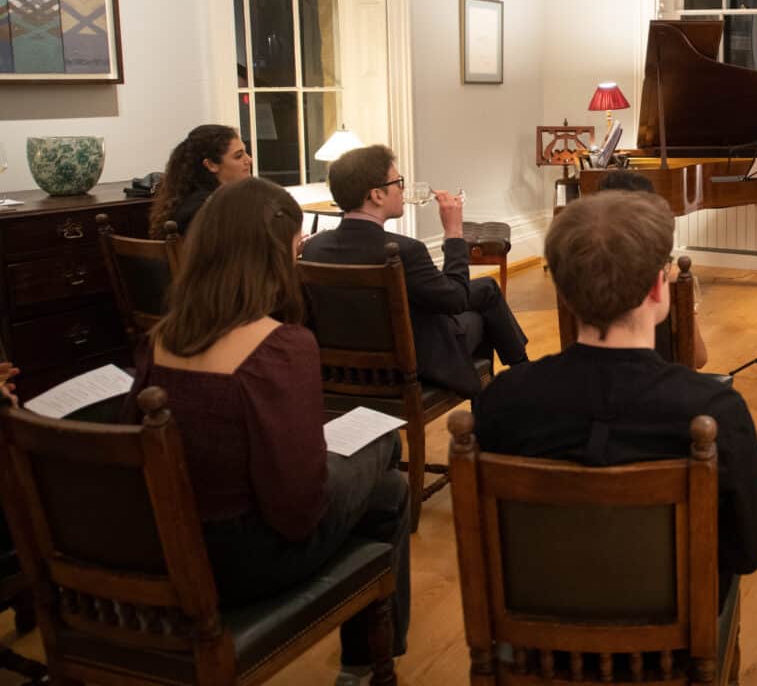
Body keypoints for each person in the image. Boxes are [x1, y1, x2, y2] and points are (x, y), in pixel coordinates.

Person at [127, 178, 409, 683]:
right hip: (244, 562)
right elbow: (298, 512)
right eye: (296, 249)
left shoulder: (159, 339)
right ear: (276, 257)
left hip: (163, 547)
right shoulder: (280, 348)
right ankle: (367, 664)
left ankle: (365, 660)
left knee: (387, 488)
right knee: (386, 448)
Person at [474, 190, 757, 590]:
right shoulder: (713, 411)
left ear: (562, 290)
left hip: (540, 638)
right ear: (655, 288)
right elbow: (747, 552)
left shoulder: (500, 400)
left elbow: (492, 545)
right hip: (670, 642)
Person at [301, 145, 529, 403]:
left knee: (486, 288)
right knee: (479, 316)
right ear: (377, 195)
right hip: (410, 364)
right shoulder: (405, 251)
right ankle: (505, 393)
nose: (402, 189)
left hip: (343, 370)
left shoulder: (313, 248)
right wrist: (454, 233)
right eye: (398, 182)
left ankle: (522, 371)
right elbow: (455, 300)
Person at [595, 170, 709, 370]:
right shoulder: (669, 277)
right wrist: (688, 305)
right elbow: (698, 358)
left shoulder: (580, 275)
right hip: (660, 388)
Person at [149, 124, 252, 236]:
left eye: (245, 153)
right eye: (238, 156)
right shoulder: (204, 210)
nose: (249, 160)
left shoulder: (215, 198)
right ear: (211, 165)